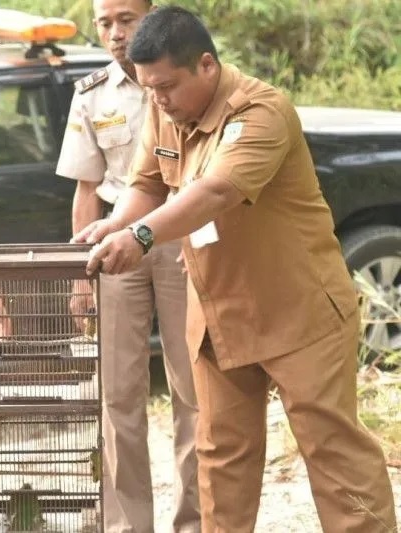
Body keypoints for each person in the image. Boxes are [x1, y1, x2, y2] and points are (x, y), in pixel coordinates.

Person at [76, 6, 397, 532]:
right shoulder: (165, 107)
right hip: (218, 314)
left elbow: (217, 190)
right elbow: (147, 182)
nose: (157, 99)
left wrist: (140, 235)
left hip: (298, 312)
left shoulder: (261, 111)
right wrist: (114, 224)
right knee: (220, 458)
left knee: (332, 451)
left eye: (166, 86)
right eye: (148, 88)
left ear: (206, 65)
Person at [56, 1, 200, 531]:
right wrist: (81, 270)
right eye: (106, 23)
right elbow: (86, 188)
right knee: (117, 393)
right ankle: (126, 525)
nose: (116, 33)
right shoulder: (91, 94)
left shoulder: (186, 72)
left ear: (152, 14)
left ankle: (196, 522)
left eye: (128, 19)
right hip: (118, 246)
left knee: (195, 388)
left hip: (186, 237)